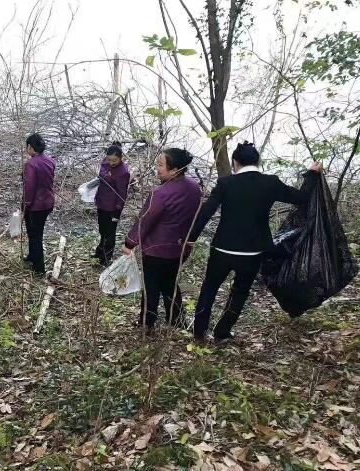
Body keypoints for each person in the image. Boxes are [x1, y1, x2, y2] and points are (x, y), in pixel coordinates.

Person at [188, 142, 323, 342]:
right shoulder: (270, 183)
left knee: (209, 290)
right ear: (257, 161)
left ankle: (199, 333)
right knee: (240, 292)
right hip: (252, 252)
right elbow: (301, 197)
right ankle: (222, 333)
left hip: (222, 249)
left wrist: (191, 238)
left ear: (235, 162)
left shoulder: (226, 183)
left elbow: (207, 211)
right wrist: (311, 174)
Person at [123, 148, 202, 329]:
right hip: (180, 249)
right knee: (170, 284)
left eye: (160, 165)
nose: (157, 169)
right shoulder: (194, 188)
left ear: (174, 170)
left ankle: (147, 322)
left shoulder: (161, 193)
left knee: (151, 287)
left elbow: (145, 221)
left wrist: (129, 243)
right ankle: (177, 320)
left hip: (156, 250)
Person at [93, 141, 131, 266]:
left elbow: (122, 194)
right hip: (101, 201)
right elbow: (101, 176)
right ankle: (99, 252)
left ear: (121, 158)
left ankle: (106, 257)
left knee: (110, 232)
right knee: (102, 229)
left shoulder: (123, 172)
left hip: (112, 207)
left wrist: (117, 212)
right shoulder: (105, 163)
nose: (111, 163)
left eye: (114, 160)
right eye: (109, 160)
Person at [23, 133, 56, 275]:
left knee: (35, 235)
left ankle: (39, 268)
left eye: (27, 147)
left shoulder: (31, 164)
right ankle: (32, 256)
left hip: (36, 205)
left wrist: (26, 204)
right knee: (35, 232)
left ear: (31, 147)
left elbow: (29, 187)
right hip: (48, 202)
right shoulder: (49, 161)